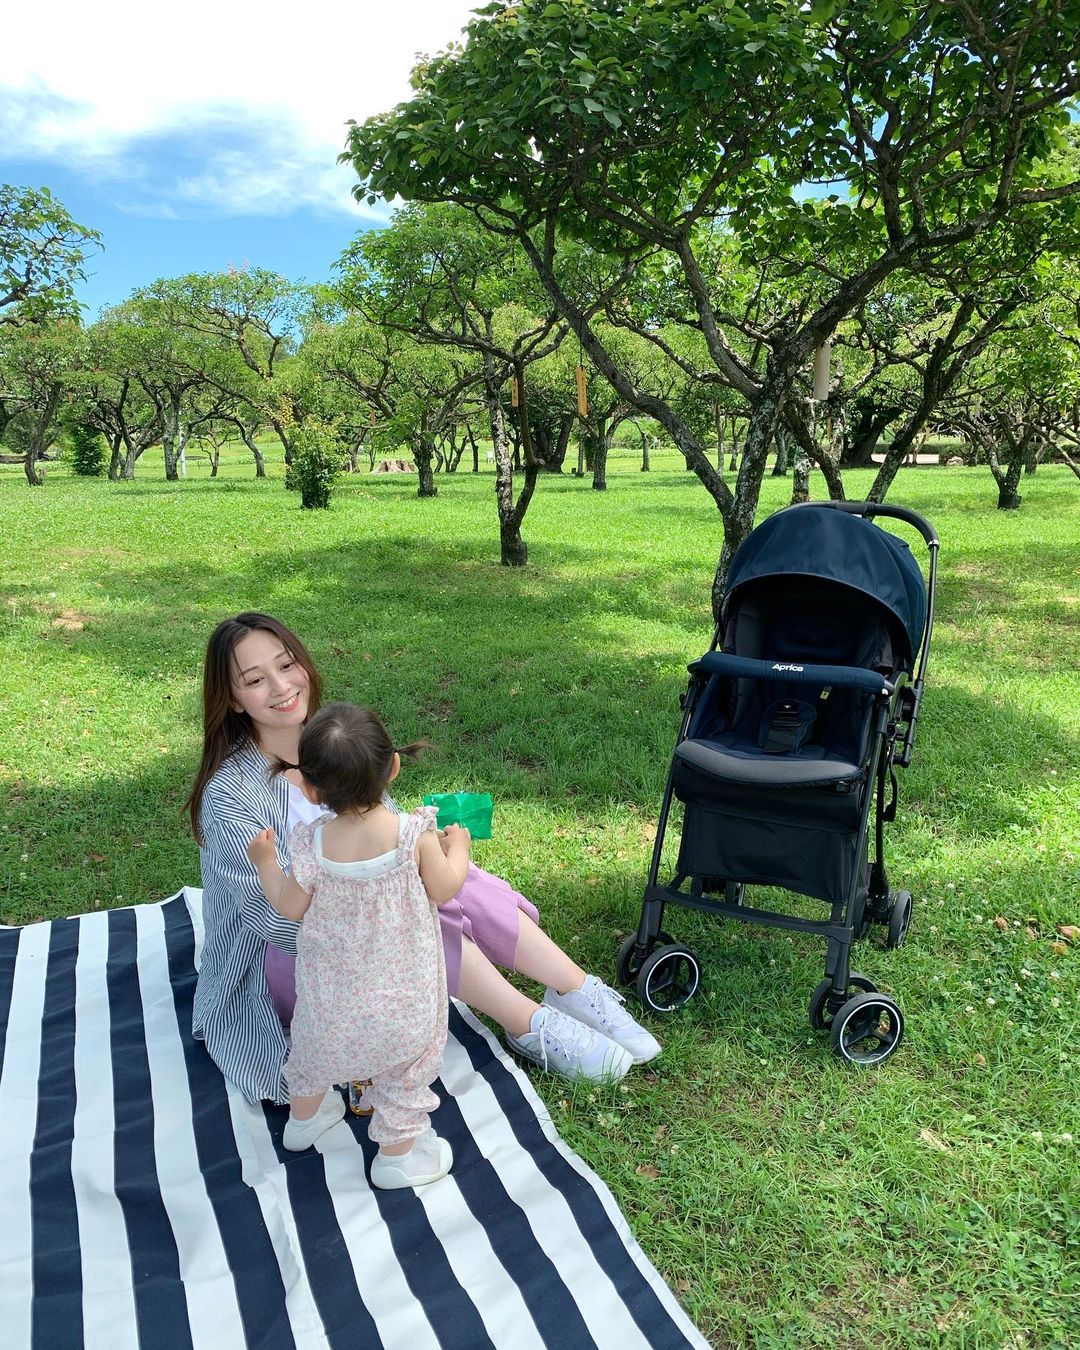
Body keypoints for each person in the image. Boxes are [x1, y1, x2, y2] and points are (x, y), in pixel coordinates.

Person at [186, 612, 659, 1126]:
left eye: (286, 664)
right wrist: (388, 904)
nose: (281, 687)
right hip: (284, 962)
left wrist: (417, 859)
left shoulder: (332, 740)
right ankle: (527, 1022)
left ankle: (574, 989)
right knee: (410, 905)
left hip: (360, 931)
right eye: (255, 680)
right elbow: (276, 922)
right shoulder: (230, 796)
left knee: (446, 869)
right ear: (232, 699)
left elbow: (381, 831)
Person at [248, 702, 467, 1189]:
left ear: (310, 787)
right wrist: (461, 846)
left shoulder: (311, 845)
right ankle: (396, 1156)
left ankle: (303, 1122)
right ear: (393, 766)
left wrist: (265, 862)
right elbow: (445, 887)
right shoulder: (414, 835)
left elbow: (289, 904)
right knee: (404, 1078)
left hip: (329, 1014)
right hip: (402, 1013)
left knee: (308, 1059)